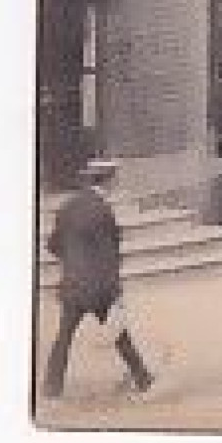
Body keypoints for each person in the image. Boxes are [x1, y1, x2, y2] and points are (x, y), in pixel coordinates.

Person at [42, 162, 155, 399]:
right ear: (108, 180)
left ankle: (51, 389)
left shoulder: (68, 206)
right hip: (99, 289)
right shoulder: (103, 210)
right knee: (119, 333)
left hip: (73, 284)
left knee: (63, 338)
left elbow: (53, 245)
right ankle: (143, 378)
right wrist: (115, 291)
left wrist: (74, 261)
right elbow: (109, 255)